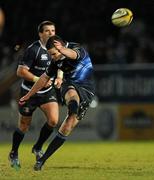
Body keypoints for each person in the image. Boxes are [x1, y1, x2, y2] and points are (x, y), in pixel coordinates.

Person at [20, 35, 95, 171]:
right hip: (69, 85)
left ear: (60, 46)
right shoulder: (56, 61)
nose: (52, 58)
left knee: (67, 127)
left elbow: (73, 55)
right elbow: (43, 78)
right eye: (50, 55)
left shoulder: (76, 48)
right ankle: (41, 162)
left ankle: (43, 157)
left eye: (54, 54)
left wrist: (63, 50)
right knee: (71, 93)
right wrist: (29, 94)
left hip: (87, 89)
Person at [8, 21, 61, 170]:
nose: (51, 33)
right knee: (24, 126)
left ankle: (37, 147)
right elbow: (20, 72)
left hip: (46, 92)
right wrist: (39, 80)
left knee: (53, 120)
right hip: (29, 92)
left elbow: (61, 64)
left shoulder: (58, 46)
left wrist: (59, 78)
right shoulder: (34, 50)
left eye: (53, 30)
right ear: (40, 34)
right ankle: (14, 153)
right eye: (47, 31)